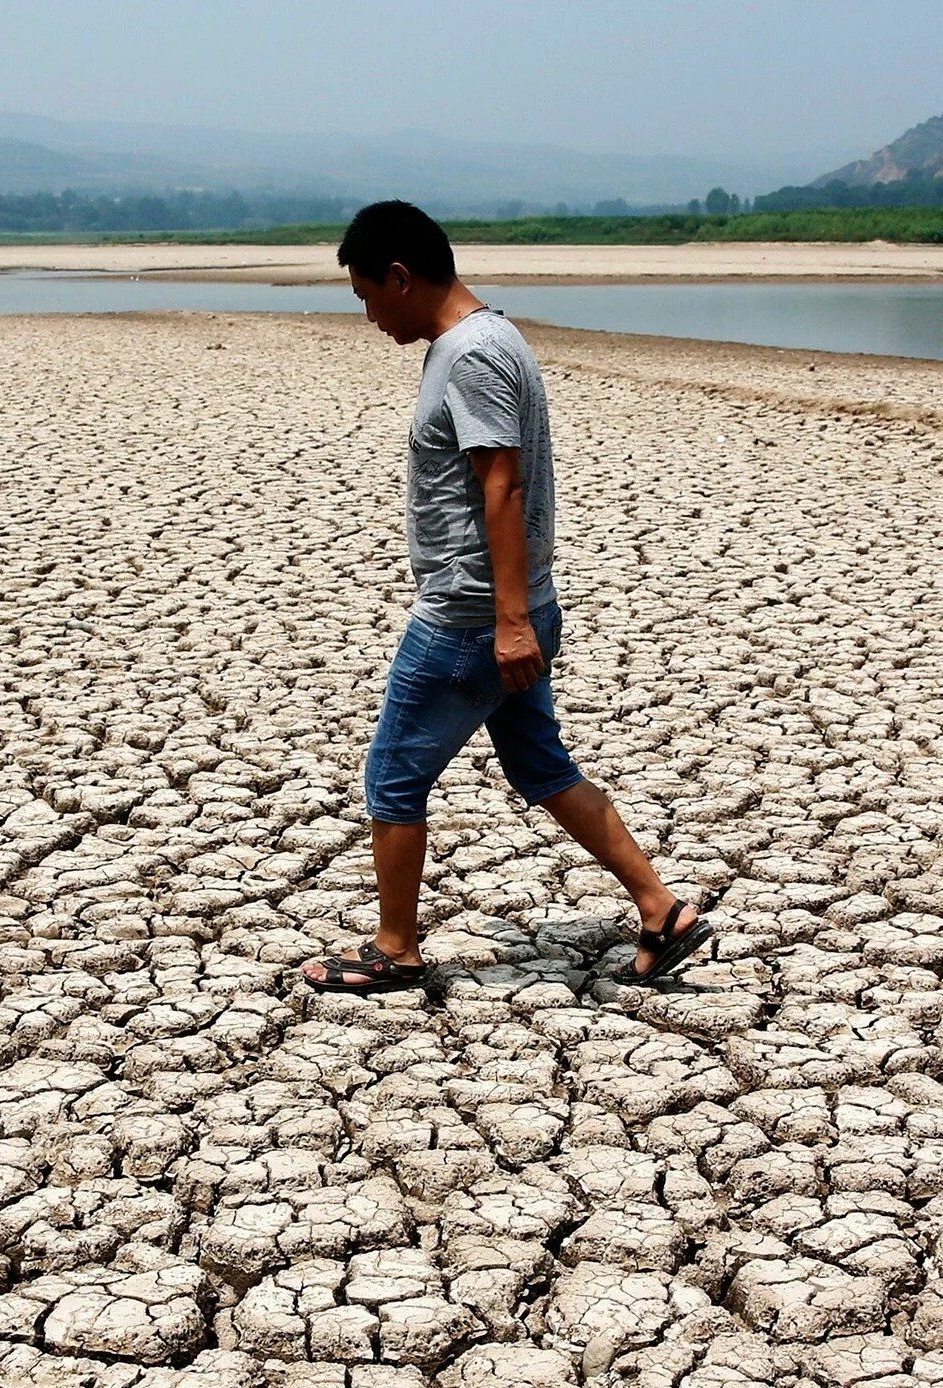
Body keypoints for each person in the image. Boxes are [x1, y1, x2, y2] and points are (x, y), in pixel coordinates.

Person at [300, 200, 713, 996]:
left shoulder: (473, 355)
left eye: (366, 294)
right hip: (502, 613)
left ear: (400, 276)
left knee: (391, 778)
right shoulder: (481, 339)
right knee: (540, 765)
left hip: (470, 618)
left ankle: (395, 949)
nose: (367, 313)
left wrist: (511, 622)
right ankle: (660, 909)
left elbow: (500, 483)